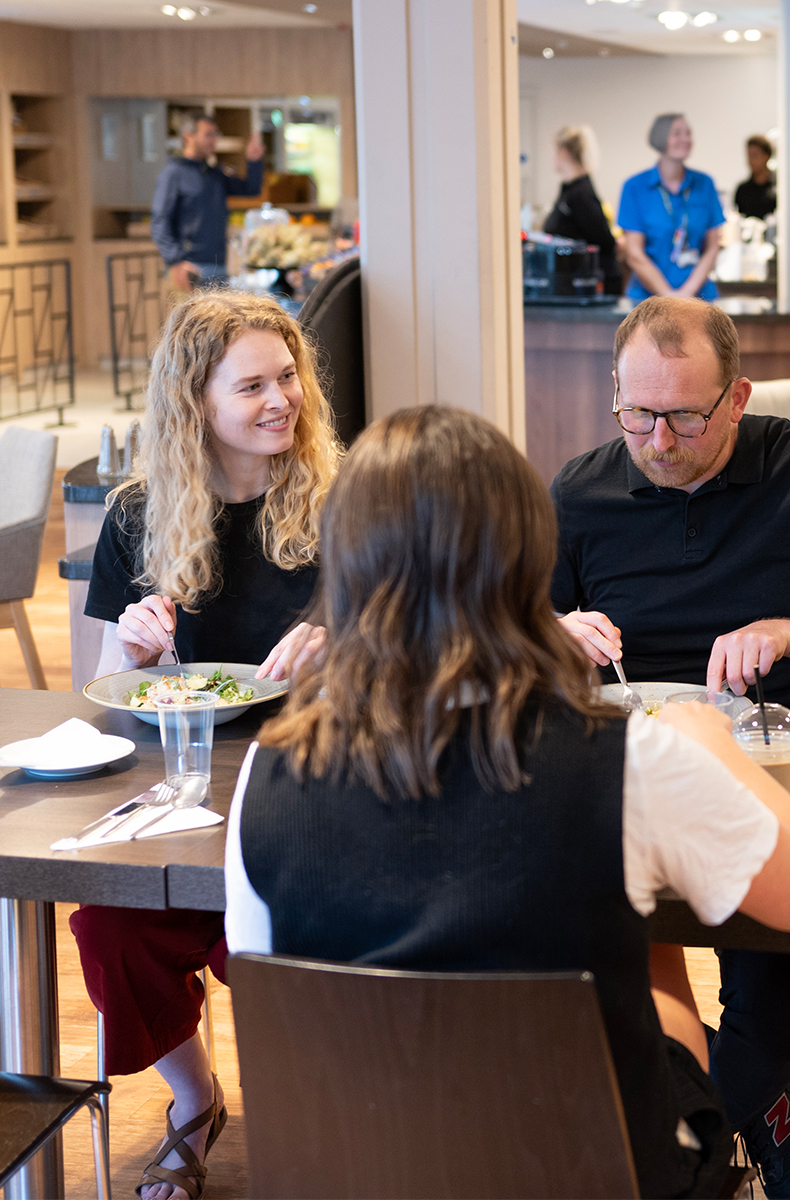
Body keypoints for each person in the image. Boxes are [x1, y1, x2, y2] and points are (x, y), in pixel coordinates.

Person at [224, 404, 790, 1199]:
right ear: (526, 562)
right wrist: (720, 747)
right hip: (590, 1169)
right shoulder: (628, 760)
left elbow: (265, 979)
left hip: (363, 1166)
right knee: (646, 959)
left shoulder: (266, 774)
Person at [551, 295, 790, 1194]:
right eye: (637, 413)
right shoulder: (580, 490)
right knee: (588, 978)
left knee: (779, 1003)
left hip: (778, 778)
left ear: (737, 398)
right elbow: (511, 647)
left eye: (685, 416)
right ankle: (749, 1134)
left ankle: (712, 1143)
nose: (658, 440)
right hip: (628, 785)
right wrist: (551, 632)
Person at [79, 290, 340, 1200]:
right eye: (253, 386)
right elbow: (111, 698)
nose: (283, 400)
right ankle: (194, 1102)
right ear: (195, 402)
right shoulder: (137, 517)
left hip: (314, 787)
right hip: (182, 790)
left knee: (297, 944)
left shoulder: (339, 504)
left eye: (289, 377)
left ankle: (328, 1114)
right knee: (111, 927)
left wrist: (345, 643)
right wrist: (137, 651)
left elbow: (409, 660)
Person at [150, 112, 265, 292]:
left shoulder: (214, 173)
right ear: (188, 137)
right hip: (189, 268)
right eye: (208, 134)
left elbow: (250, 189)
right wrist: (175, 261)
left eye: (215, 134)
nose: (214, 140)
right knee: (190, 321)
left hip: (218, 266)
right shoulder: (173, 174)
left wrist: (253, 161)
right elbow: (159, 221)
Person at [616, 113, 726, 302]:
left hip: (699, 297)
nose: (685, 139)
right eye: (676, 133)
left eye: (688, 133)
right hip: (647, 300)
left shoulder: (704, 184)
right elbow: (634, 253)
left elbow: (713, 246)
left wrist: (686, 293)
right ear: (660, 138)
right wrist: (669, 296)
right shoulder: (635, 187)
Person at [541, 123, 623, 296]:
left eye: (554, 152)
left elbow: (604, 240)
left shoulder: (580, 194)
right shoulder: (569, 191)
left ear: (563, 154)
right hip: (572, 282)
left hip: (591, 286)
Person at [733, 134, 777, 222]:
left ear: (766, 156)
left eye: (755, 155)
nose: (751, 160)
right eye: (749, 155)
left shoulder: (778, 188)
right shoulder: (743, 190)